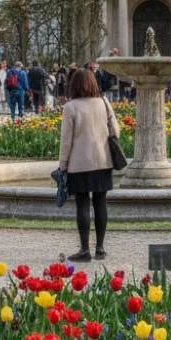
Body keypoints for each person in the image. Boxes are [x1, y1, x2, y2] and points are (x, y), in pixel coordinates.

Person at [58, 68, 119, 262]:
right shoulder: (104, 102)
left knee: (82, 205)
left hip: (79, 163)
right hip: (103, 160)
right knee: (100, 204)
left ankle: (84, 249)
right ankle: (100, 248)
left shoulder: (71, 107)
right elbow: (116, 131)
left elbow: (66, 141)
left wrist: (62, 165)